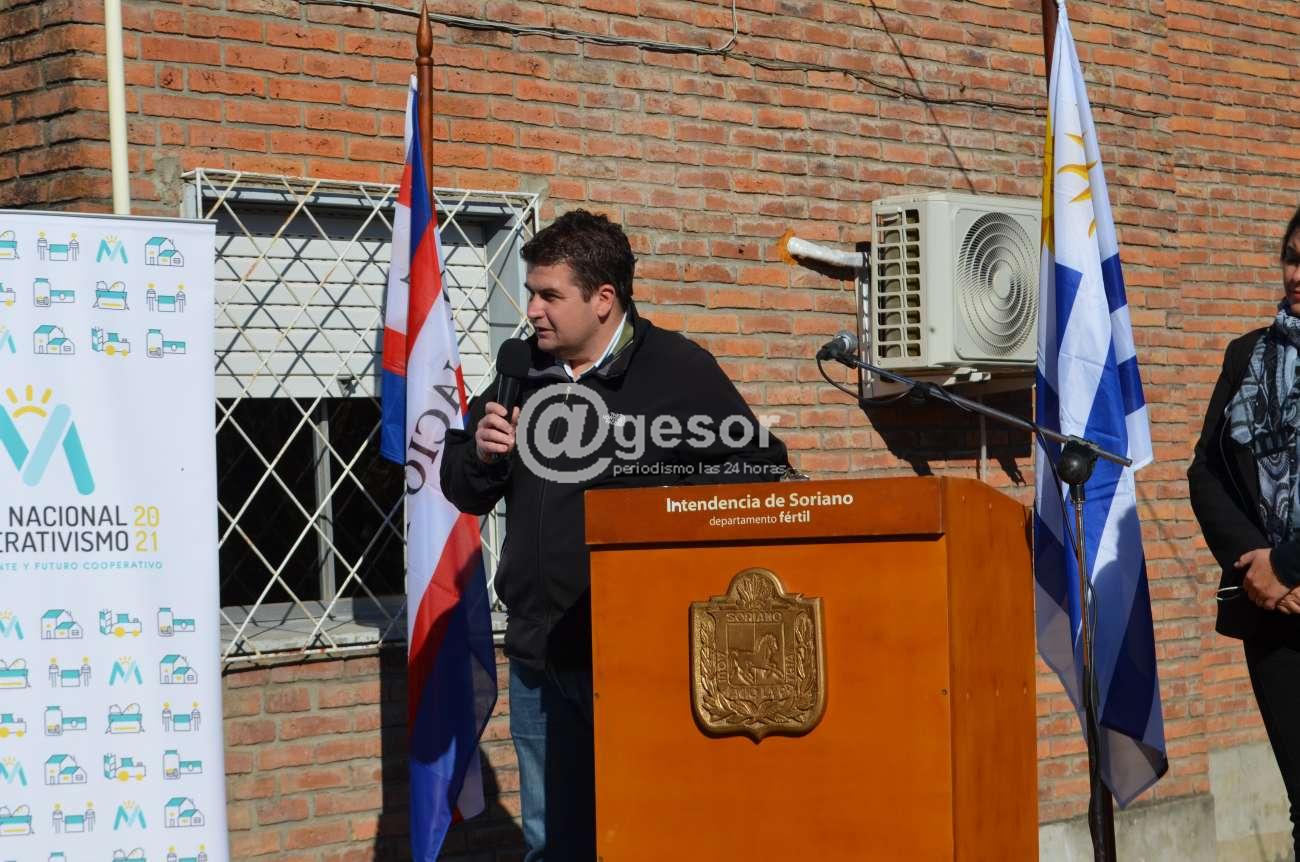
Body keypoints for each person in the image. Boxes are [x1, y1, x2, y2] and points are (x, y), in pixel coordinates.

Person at [440, 209, 789, 860]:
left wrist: (657, 495)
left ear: (603, 299)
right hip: (540, 661)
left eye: (549, 295)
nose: (532, 311)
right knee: (552, 844)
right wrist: (482, 455)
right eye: (532, 293)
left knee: (646, 836)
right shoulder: (521, 373)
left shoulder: (677, 370)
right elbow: (463, 487)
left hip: (640, 659)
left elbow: (761, 471)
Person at [1189, 204, 1300, 852]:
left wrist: (1288, 564)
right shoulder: (1247, 356)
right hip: (1273, 614)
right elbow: (1205, 469)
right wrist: (1258, 563)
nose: (1296, 274)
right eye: (1291, 258)